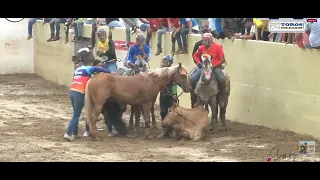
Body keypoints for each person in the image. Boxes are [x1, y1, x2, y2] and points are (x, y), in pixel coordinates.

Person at [64, 55, 113, 141]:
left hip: (72, 91)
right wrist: (109, 71)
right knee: (77, 115)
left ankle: (75, 134)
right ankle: (68, 133)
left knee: (75, 114)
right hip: (80, 93)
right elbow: (97, 69)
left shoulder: (77, 69)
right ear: (91, 63)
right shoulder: (88, 69)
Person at [192, 33, 227, 106]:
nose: (204, 42)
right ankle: (196, 97)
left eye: (206, 40)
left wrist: (214, 66)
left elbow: (222, 60)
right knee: (193, 79)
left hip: (215, 67)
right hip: (204, 67)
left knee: (222, 79)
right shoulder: (201, 48)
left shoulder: (218, 47)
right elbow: (195, 55)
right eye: (203, 40)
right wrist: (198, 63)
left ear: (211, 40)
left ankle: (221, 96)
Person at [159, 55, 177, 121]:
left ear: (169, 63)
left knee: (172, 110)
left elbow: (175, 84)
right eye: (163, 62)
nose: (163, 63)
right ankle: (164, 123)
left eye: (165, 62)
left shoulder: (173, 72)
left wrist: (174, 94)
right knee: (163, 111)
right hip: (163, 93)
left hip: (171, 94)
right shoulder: (160, 72)